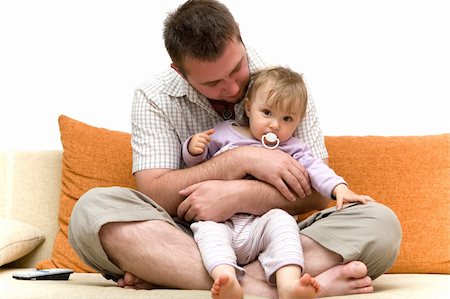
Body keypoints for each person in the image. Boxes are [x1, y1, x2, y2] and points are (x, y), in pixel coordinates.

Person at [68, 0, 402, 298]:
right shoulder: (153, 97)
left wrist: (240, 195)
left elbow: (316, 194)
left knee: (381, 224)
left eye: (236, 69)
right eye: (212, 82)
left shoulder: (284, 86)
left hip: (272, 232)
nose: (232, 88)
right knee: (92, 212)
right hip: (191, 235)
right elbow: (156, 193)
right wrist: (238, 160)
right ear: (179, 71)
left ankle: (173, 272)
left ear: (240, 36)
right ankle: (273, 288)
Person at [183, 66, 375, 299]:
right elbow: (199, 168)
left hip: (262, 226)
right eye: (266, 112)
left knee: (282, 222)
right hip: (222, 221)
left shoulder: (293, 148)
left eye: (286, 119)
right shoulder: (225, 133)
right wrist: (193, 149)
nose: (275, 124)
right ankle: (227, 279)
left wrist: (339, 188)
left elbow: (317, 169)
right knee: (206, 229)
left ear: (298, 122)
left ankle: (288, 285)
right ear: (248, 108)